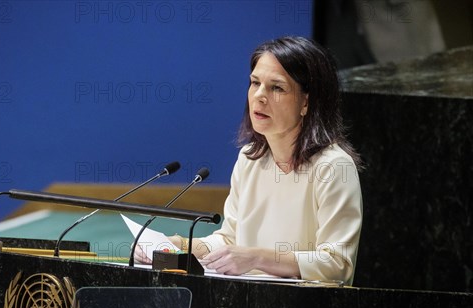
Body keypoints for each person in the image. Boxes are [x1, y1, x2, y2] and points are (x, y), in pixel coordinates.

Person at [136, 36, 363, 285]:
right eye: (255, 83)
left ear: (306, 102)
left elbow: (337, 264)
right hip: (249, 302)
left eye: (277, 87)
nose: (259, 96)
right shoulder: (249, 158)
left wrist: (257, 258)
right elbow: (229, 242)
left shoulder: (334, 167)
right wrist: (177, 245)